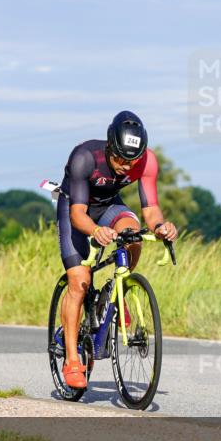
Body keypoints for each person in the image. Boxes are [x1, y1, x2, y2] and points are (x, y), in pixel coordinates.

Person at [55, 110, 178, 388]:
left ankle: (116, 290)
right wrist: (96, 231)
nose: (126, 165)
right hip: (75, 208)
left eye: (131, 160)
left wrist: (161, 227)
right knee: (80, 281)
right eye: (120, 158)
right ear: (110, 146)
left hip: (110, 205)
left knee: (133, 236)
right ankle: (72, 360)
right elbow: (78, 215)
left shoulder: (146, 162)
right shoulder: (85, 157)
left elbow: (151, 209)